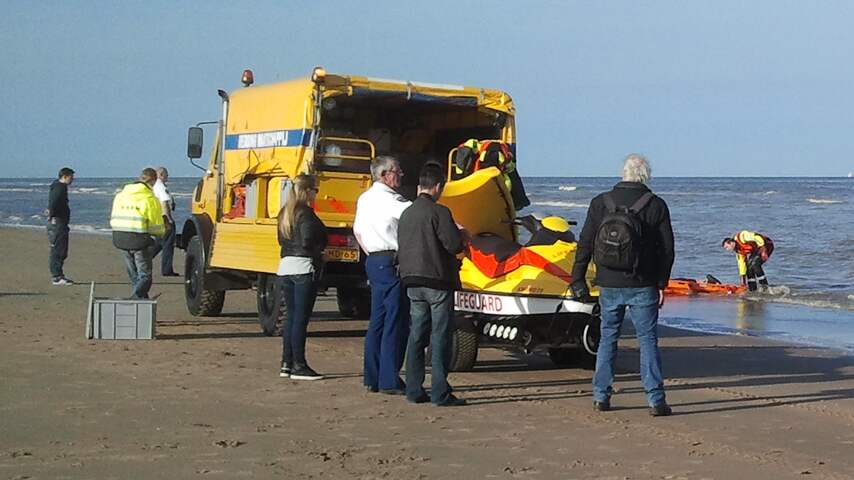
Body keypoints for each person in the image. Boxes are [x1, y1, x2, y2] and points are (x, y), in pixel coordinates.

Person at [570, 154, 675, 417]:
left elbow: (585, 243)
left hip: (608, 281)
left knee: (608, 337)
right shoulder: (656, 205)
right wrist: (662, 282)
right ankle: (655, 400)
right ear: (646, 174)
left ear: (623, 172)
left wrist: (577, 278)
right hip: (643, 283)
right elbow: (668, 250)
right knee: (647, 340)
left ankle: (601, 396)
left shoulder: (600, 202)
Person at [398, 164, 468, 406]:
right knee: (440, 336)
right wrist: (463, 237)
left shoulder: (406, 213)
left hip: (411, 280)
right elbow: (453, 245)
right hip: (436, 279)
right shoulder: (439, 211)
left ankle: (414, 388)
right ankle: (440, 391)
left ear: (420, 186)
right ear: (438, 187)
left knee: (417, 334)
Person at [353, 156, 412, 394]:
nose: (401, 175)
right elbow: (417, 216)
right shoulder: (391, 199)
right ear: (384, 175)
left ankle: (372, 375)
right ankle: (389, 378)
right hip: (390, 260)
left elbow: (357, 231)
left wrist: (372, 254)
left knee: (378, 319)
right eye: (397, 171)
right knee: (395, 320)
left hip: (374, 260)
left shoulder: (364, 198)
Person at [276, 174, 328, 381]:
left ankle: (286, 363)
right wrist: (319, 253)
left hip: (285, 266)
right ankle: (299, 364)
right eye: (315, 190)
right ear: (307, 191)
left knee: (291, 317)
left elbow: (281, 240)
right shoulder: (306, 214)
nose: (316, 194)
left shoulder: (285, 213)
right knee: (300, 319)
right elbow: (307, 241)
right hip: (303, 267)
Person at [110, 168, 165, 299]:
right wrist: (161, 234)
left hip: (119, 236)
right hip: (138, 239)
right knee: (145, 274)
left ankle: (141, 298)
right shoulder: (149, 198)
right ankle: (136, 297)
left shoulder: (120, 195)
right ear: (153, 181)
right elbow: (156, 225)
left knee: (133, 272)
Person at [47, 167, 75, 286]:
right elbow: (54, 202)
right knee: (59, 250)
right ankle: (57, 277)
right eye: (71, 177)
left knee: (60, 250)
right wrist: (51, 214)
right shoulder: (60, 187)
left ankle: (58, 275)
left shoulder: (57, 186)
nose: (72, 180)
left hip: (59, 222)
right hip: (57, 222)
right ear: (65, 176)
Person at [150, 167, 179, 276]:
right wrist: (169, 219)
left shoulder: (154, 186)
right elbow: (164, 203)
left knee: (159, 243)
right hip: (164, 218)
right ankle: (167, 270)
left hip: (158, 218)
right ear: (161, 174)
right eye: (166, 174)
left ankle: (147, 258)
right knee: (167, 244)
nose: (168, 176)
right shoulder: (160, 186)